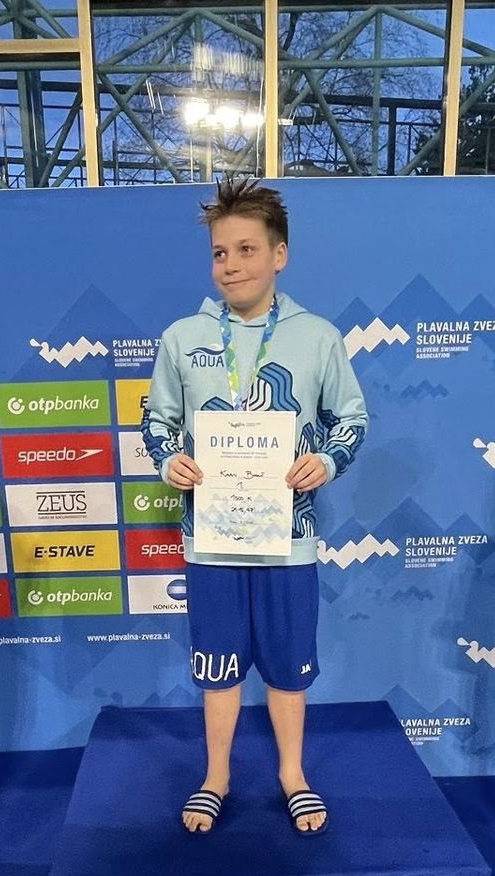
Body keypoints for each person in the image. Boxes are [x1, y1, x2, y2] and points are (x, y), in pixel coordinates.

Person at [140, 179, 369, 836]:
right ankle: (216, 774)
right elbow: (157, 420)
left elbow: (351, 418)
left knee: (289, 669)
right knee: (217, 668)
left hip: (287, 542)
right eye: (220, 253)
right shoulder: (182, 337)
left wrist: (326, 461)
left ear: (279, 255)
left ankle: (292, 773)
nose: (231, 265)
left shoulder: (317, 336)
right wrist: (169, 461)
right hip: (211, 541)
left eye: (246, 249)